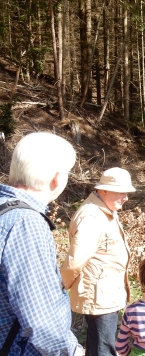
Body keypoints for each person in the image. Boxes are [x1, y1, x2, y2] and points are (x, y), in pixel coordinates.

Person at [0, 132, 82, 355]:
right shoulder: (26, 223)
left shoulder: (3, 208)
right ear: (57, 178)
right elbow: (41, 318)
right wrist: (71, 351)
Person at [61, 167, 136, 356]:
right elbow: (75, 260)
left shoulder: (103, 209)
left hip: (103, 294)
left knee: (98, 347)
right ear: (104, 190)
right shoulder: (92, 216)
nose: (126, 197)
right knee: (103, 349)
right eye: (121, 191)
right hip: (99, 297)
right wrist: (61, 286)